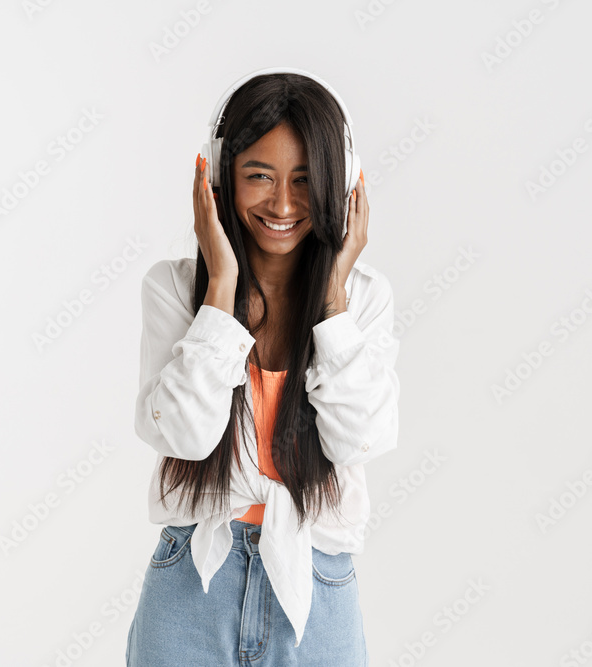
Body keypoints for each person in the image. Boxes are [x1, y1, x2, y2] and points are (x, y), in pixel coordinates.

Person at [125, 71, 400, 666]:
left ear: (342, 185)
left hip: (315, 585)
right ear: (219, 179)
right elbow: (187, 437)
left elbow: (360, 438)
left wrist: (332, 301)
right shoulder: (174, 290)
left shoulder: (365, 299)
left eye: (305, 180)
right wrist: (220, 288)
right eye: (259, 176)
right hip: (191, 582)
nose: (282, 204)